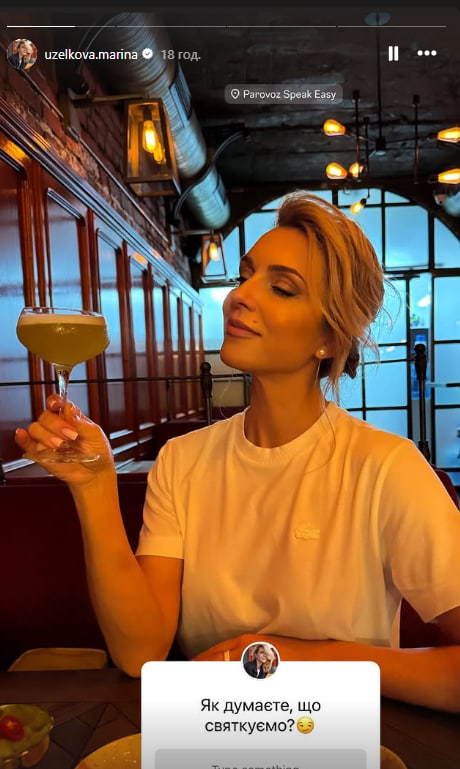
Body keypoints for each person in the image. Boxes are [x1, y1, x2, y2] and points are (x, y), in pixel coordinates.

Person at [15, 192, 460, 713]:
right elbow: (140, 652)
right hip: (210, 731)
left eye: (282, 288)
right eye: (245, 276)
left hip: (338, 735)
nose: (239, 296)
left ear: (329, 339)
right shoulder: (182, 461)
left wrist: (298, 660)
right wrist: (94, 486)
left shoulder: (386, 468)